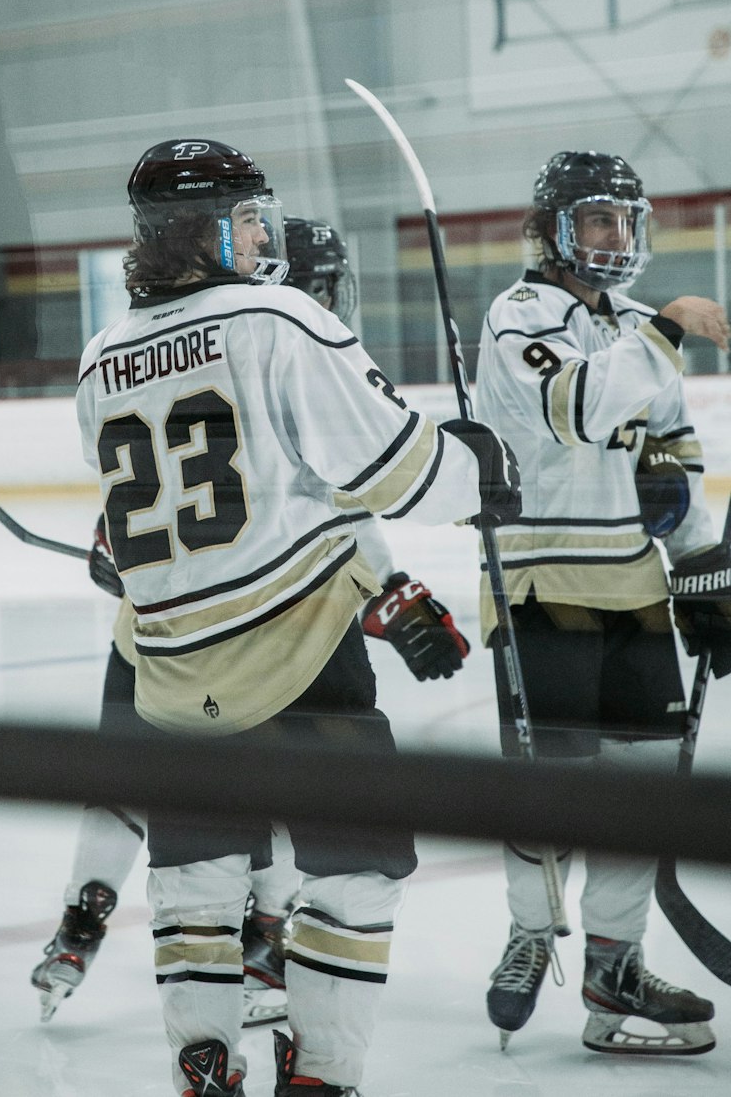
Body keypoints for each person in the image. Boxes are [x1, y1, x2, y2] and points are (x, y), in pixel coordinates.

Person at [74, 140, 520, 1097]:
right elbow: (388, 470)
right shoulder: (275, 316)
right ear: (197, 231)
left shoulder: (100, 357)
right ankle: (320, 1074)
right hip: (301, 657)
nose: (259, 236)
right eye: (242, 219)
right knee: (355, 875)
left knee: (195, 883)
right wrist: (476, 469)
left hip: (167, 672)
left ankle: (202, 1064)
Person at [30, 214, 472, 1026]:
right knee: (272, 793)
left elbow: (146, 494)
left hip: (159, 639)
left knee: (166, 806)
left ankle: (106, 929)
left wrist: (114, 544)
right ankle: (253, 945)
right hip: (261, 638)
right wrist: (393, 590)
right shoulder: (278, 339)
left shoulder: (137, 348)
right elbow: (334, 507)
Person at [475, 150, 731, 1056]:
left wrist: (704, 566)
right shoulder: (519, 316)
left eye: (625, 221)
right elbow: (580, 406)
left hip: (632, 589)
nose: (616, 239)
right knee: (550, 787)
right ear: (552, 229)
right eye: (595, 221)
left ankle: (615, 964)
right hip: (541, 586)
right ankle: (529, 934)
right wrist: (664, 327)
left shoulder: (635, 324)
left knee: (637, 792)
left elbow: (671, 460)